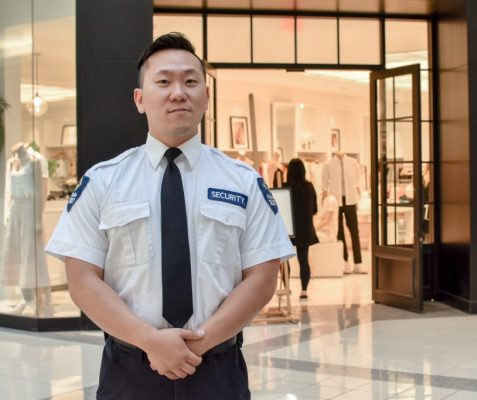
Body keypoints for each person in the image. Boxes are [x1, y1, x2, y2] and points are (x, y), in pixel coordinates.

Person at [45, 32, 294, 400]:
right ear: (140, 99)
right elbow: (82, 278)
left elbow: (262, 276)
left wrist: (197, 343)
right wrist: (150, 340)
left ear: (206, 97)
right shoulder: (102, 182)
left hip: (216, 368)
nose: (178, 92)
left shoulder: (243, 182)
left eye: (191, 81)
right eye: (164, 81)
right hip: (129, 370)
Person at [2, 142, 53, 317]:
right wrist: (7, 214)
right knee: (16, 254)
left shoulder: (34, 162)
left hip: (30, 208)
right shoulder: (11, 163)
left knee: (32, 254)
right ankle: (26, 298)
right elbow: (8, 191)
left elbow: (40, 191)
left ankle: (43, 301)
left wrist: (38, 219)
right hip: (16, 209)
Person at [322, 152, 366, 274]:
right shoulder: (329, 164)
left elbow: (358, 181)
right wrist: (324, 201)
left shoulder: (353, 163)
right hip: (336, 201)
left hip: (351, 200)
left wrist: (359, 197)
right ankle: (345, 261)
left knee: (354, 231)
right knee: (339, 232)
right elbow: (324, 183)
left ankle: (358, 263)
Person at [284, 158, 319, 299]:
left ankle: (286, 286)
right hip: (305, 228)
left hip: (287, 230)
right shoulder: (309, 187)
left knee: (284, 260)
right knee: (303, 261)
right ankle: (304, 290)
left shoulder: (285, 187)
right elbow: (315, 209)